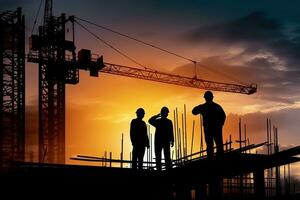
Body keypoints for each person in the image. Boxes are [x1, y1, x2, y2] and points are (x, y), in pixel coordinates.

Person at [192, 91, 226, 159]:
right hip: (216, 128)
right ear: (212, 98)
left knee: (210, 145)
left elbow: (194, 112)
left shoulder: (204, 107)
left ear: (206, 98)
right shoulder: (217, 106)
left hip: (209, 129)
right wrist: (220, 125)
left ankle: (211, 159)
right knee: (218, 144)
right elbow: (223, 116)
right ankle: (220, 158)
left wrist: (199, 107)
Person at [148, 106, 174, 171]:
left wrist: (172, 140)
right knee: (160, 156)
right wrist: (156, 116)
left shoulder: (165, 122)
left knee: (165, 156)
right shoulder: (159, 121)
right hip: (160, 141)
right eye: (166, 112)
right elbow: (150, 121)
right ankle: (161, 169)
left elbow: (171, 131)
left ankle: (165, 169)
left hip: (162, 141)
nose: (167, 114)